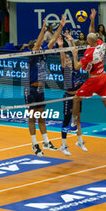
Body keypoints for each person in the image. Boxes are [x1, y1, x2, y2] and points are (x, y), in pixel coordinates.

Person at [66, 9, 106, 147]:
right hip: (103, 76)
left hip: (93, 80)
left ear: (88, 41)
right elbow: (92, 34)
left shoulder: (88, 53)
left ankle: (74, 123)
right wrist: (92, 20)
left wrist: (74, 53)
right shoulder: (100, 44)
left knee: (75, 99)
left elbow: (76, 67)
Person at [24, 15, 66, 156]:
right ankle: (34, 144)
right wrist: (42, 29)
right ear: (33, 48)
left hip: (40, 89)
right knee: (32, 118)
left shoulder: (43, 53)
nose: (41, 44)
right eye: (38, 44)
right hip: (30, 89)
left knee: (41, 117)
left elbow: (53, 39)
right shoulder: (32, 55)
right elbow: (38, 42)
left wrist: (60, 26)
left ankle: (46, 142)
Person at [57, 35, 87, 156]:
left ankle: (80, 142)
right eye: (67, 61)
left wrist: (71, 41)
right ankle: (63, 145)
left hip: (78, 97)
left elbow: (75, 53)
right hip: (68, 97)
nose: (68, 62)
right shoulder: (65, 70)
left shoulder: (76, 68)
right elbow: (62, 58)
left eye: (70, 61)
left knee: (77, 119)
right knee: (67, 120)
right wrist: (61, 46)